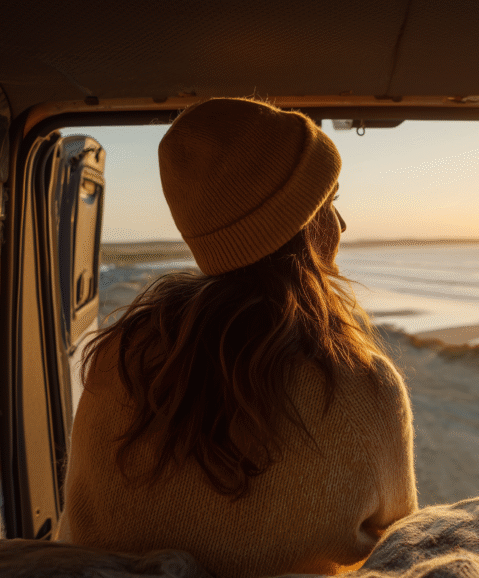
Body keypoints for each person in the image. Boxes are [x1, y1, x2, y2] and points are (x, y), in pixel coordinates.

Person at [54, 98, 418, 578]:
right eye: (327, 204)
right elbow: (401, 547)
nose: (342, 224)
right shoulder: (363, 385)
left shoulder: (119, 357)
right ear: (298, 227)